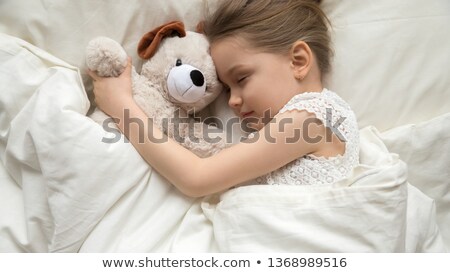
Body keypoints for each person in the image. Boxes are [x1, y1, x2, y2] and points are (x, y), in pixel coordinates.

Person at [88, 0, 359, 197]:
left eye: (241, 79)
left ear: (298, 61)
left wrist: (123, 108)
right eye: (228, 89)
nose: (232, 102)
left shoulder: (308, 120)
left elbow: (197, 178)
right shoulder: (328, 115)